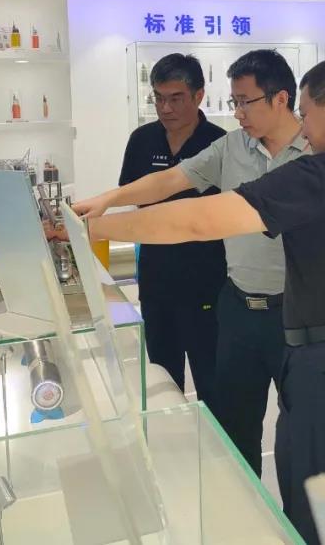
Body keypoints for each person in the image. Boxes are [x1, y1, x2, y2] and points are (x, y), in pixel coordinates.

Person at [80, 56, 325, 545]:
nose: (306, 129)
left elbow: (197, 221)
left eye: (308, 113)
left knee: (321, 511)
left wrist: (95, 228)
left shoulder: (317, 174)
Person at [73, 49, 307, 476]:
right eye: (234, 101)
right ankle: (240, 505)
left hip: (298, 313)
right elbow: (171, 180)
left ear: (280, 98)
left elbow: (198, 222)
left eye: (245, 102)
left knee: (302, 434)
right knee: (234, 430)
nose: (237, 113)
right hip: (239, 308)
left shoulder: (317, 152)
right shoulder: (231, 146)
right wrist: (108, 199)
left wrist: (99, 227)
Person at [116, 53, 226, 402]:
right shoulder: (142, 140)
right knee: (163, 384)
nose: (165, 108)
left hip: (206, 285)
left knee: (213, 385)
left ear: (198, 95)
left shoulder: (220, 144)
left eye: (176, 98)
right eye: (158, 98)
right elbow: (133, 200)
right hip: (156, 281)